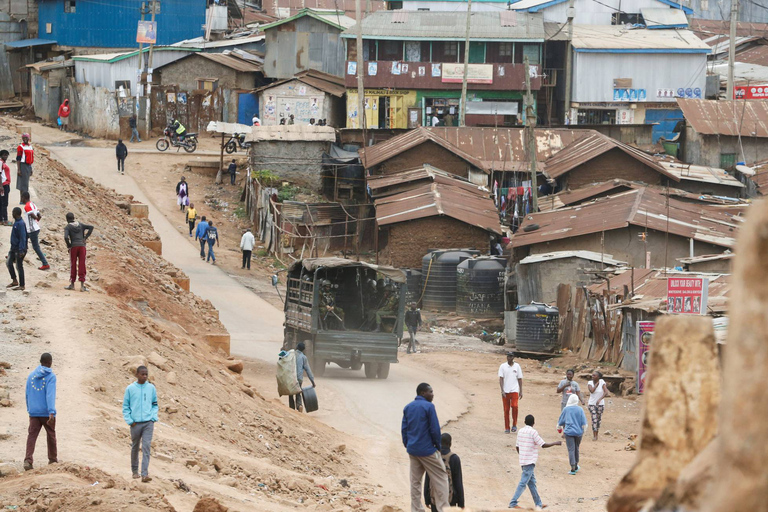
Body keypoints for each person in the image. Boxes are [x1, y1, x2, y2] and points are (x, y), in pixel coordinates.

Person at [402, 383, 449, 512]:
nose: (433, 394)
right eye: (431, 392)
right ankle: (443, 509)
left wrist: (408, 444)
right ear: (423, 393)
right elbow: (434, 429)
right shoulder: (429, 407)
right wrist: (438, 447)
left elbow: (404, 429)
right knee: (441, 478)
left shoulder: (408, 407)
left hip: (413, 450)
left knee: (415, 482)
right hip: (427, 450)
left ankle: (416, 509)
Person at [508, 415, 562, 510]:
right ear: (533, 423)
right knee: (523, 482)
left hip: (523, 460)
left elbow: (517, 446)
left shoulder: (520, 431)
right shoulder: (533, 432)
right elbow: (543, 445)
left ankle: (538, 504)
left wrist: (522, 455)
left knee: (532, 483)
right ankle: (513, 502)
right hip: (530, 461)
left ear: (525, 422)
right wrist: (555, 443)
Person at [122, 366, 158, 482]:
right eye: (142, 374)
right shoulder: (130, 388)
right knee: (135, 446)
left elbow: (154, 404)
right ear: (137, 374)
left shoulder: (151, 388)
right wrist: (130, 421)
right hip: (135, 423)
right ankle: (134, 471)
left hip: (148, 423)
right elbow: (125, 406)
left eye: (146, 374)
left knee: (146, 447)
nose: (144, 376)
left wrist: (153, 417)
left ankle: (144, 474)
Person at [23, 353, 57, 471]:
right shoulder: (51, 377)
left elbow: (27, 394)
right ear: (49, 362)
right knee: (51, 435)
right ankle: (52, 460)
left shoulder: (31, 376)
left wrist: (29, 409)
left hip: (34, 412)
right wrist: (51, 411)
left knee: (32, 436)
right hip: (46, 412)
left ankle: (28, 460)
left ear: (40, 361)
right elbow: (50, 395)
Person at [424, 433, 464, 512]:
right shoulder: (455, 459)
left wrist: (427, 499)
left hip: (435, 498)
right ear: (450, 444)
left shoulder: (433, 457)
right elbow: (458, 482)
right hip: (450, 500)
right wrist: (461, 504)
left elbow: (428, 479)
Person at [557, 394, 588, 475]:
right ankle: (576, 464)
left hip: (569, 432)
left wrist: (559, 429)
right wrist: (583, 431)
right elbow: (584, 422)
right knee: (576, 448)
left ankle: (572, 467)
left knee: (571, 449)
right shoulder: (580, 409)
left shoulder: (566, 409)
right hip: (578, 433)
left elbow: (560, 421)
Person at [64, 212, 93, 292]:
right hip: (82, 246)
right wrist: (85, 238)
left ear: (67, 219)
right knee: (82, 264)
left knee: (73, 264)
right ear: (74, 218)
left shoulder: (68, 227)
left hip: (74, 246)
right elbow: (91, 227)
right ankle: (82, 286)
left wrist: (69, 245)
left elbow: (66, 237)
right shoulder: (80, 225)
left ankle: (72, 284)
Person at [21, 191, 50, 270]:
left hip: (31, 230)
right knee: (21, 240)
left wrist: (35, 219)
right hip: (33, 228)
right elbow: (39, 215)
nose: (21, 199)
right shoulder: (33, 204)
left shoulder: (27, 206)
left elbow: (33, 215)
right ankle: (14, 256)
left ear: (24, 197)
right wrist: (36, 221)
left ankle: (45, 263)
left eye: (22, 197)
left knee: (36, 247)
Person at [499, 352, 523, 433]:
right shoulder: (503, 366)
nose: (509, 358)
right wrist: (502, 390)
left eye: (511, 356)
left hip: (514, 390)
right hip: (505, 391)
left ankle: (514, 424)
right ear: (507, 357)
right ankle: (507, 427)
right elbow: (501, 379)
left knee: (514, 406)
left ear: (513, 357)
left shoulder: (517, 366)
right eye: (508, 356)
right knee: (506, 410)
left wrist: (521, 391)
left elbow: (520, 379)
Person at [289, 342, 316, 411]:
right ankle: (299, 405)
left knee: (291, 393)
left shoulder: (291, 354)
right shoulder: (304, 357)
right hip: (299, 379)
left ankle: (291, 408)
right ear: (303, 350)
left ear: (297, 347)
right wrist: (312, 382)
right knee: (298, 393)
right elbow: (308, 370)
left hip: (291, 377)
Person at [7, 207, 27, 290]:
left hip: (19, 249)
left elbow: (23, 238)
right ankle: (14, 280)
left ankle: (22, 285)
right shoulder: (16, 222)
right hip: (13, 248)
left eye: (13, 212)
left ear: (16, 213)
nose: (12, 214)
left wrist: (21, 250)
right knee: (9, 263)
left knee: (19, 266)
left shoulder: (21, 224)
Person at [587, 371, 609, 441]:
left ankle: (597, 434)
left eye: (594, 375)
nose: (592, 376)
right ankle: (594, 436)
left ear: (598, 377)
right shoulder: (590, 383)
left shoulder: (602, 382)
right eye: (592, 375)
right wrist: (596, 385)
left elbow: (606, 392)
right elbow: (592, 391)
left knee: (598, 420)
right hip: (591, 404)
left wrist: (600, 399)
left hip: (600, 404)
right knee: (594, 419)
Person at [16, 133, 34, 205]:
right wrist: (19, 169)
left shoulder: (30, 147)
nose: (25, 139)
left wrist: (31, 168)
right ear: (22, 139)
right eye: (24, 138)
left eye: (26, 138)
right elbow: (18, 158)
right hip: (23, 165)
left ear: (29, 138)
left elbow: (31, 158)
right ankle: (22, 200)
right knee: (23, 184)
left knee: (25, 184)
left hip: (28, 166)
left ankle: (24, 200)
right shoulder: (20, 147)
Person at [1, 149, 10, 225]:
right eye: (4, 155)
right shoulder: (1, 163)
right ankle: (5, 220)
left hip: (4, 184)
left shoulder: (2, 163)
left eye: (6, 155)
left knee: (2, 202)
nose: (5, 156)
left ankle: (1, 219)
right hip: (4, 185)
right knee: (4, 203)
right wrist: (1, 186)